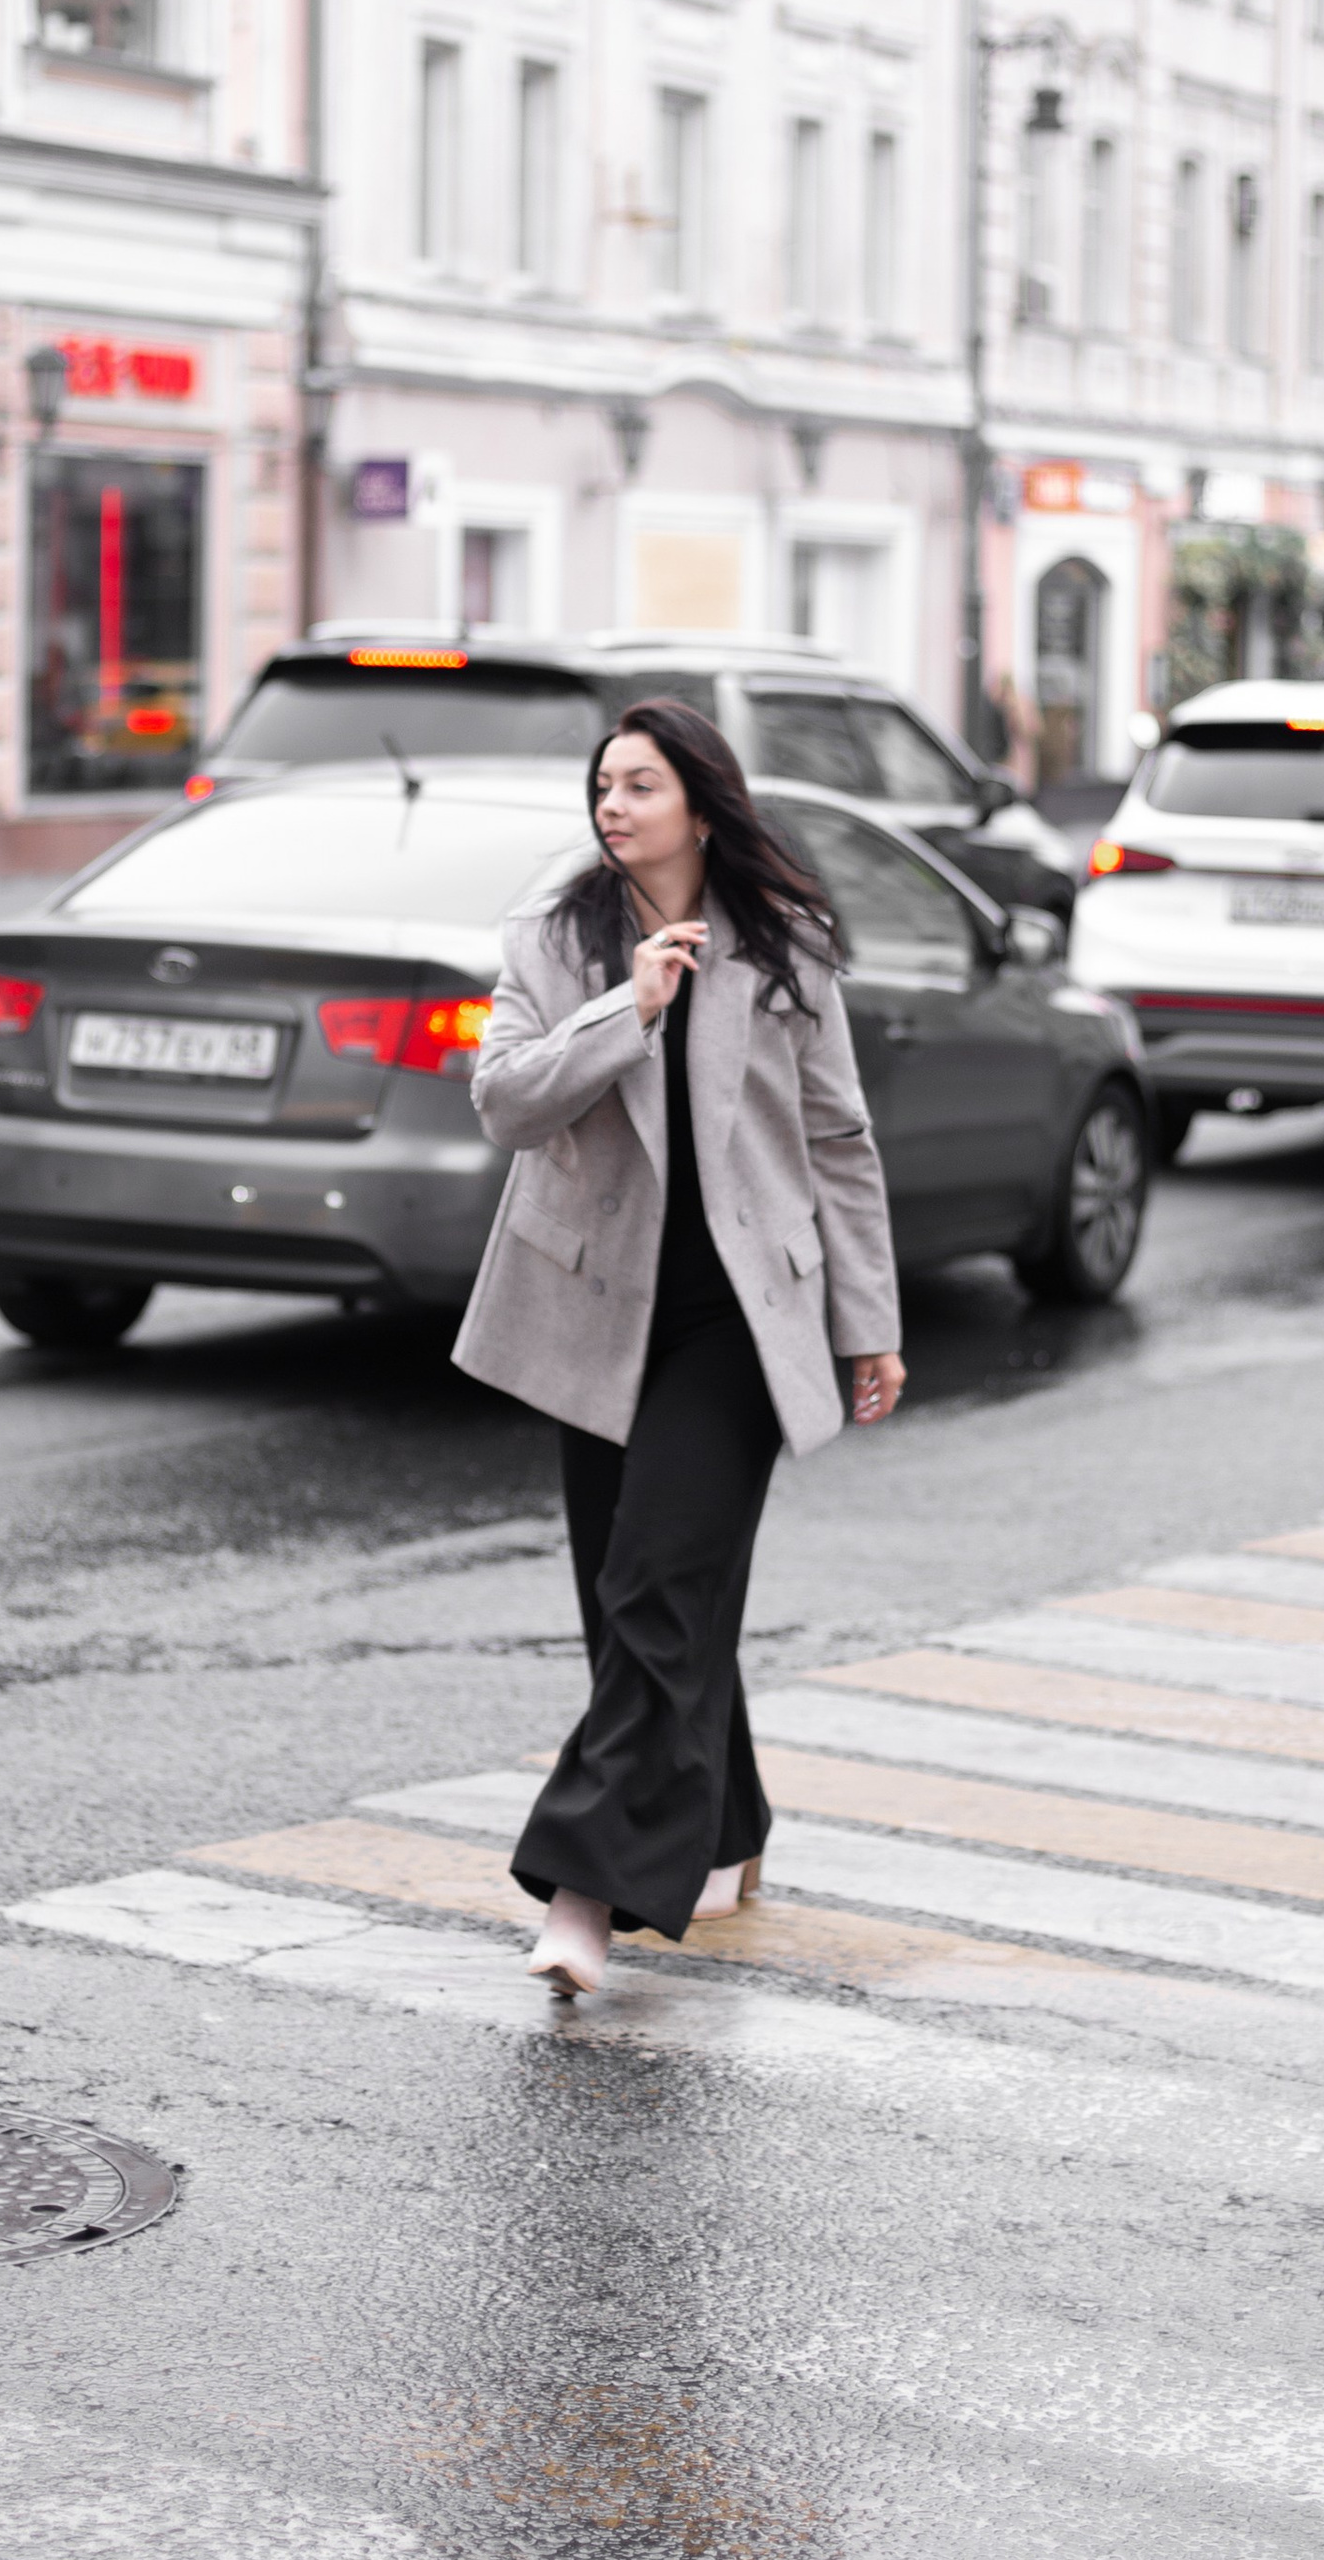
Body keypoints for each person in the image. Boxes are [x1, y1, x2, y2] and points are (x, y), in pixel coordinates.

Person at [452, 699, 905, 2000]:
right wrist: (626, 1008)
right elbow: (504, 1102)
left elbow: (838, 1141)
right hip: (599, 1311)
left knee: (656, 1592)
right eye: (603, 785)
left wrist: (866, 1322)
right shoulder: (557, 936)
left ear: (701, 804)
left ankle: (584, 1897)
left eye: (641, 785)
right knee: (633, 1605)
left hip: (736, 1324)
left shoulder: (782, 948)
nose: (614, 805)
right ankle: (732, 1827)